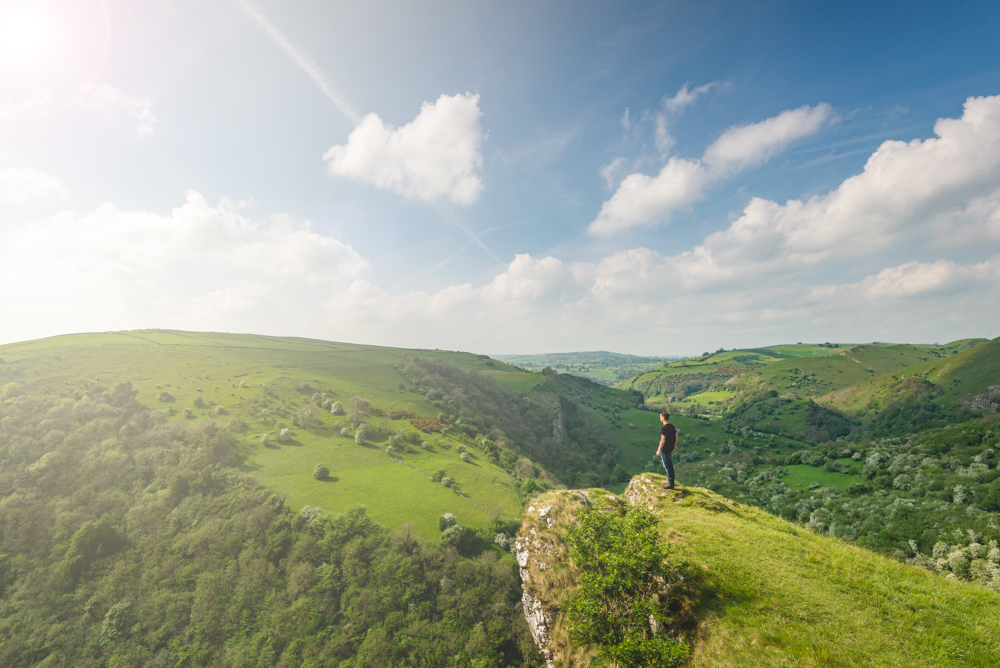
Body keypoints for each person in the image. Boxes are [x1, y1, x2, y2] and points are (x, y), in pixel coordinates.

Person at [656, 410, 678, 489]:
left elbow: (663, 440)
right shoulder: (672, 426)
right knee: (670, 464)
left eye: (660, 416)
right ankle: (670, 480)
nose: (660, 418)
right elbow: (676, 436)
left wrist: (659, 450)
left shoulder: (663, 428)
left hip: (664, 449)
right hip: (670, 448)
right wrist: (675, 446)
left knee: (667, 466)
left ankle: (670, 484)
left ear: (663, 417)